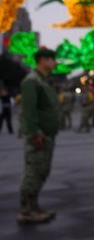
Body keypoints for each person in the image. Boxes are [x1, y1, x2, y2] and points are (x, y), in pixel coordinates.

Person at [17, 48, 60, 224]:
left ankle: (34, 206)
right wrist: (35, 133)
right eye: (52, 60)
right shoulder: (32, 82)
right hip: (39, 136)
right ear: (42, 60)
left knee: (41, 171)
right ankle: (27, 211)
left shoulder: (44, 81)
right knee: (34, 172)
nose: (54, 63)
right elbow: (29, 111)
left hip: (47, 135)